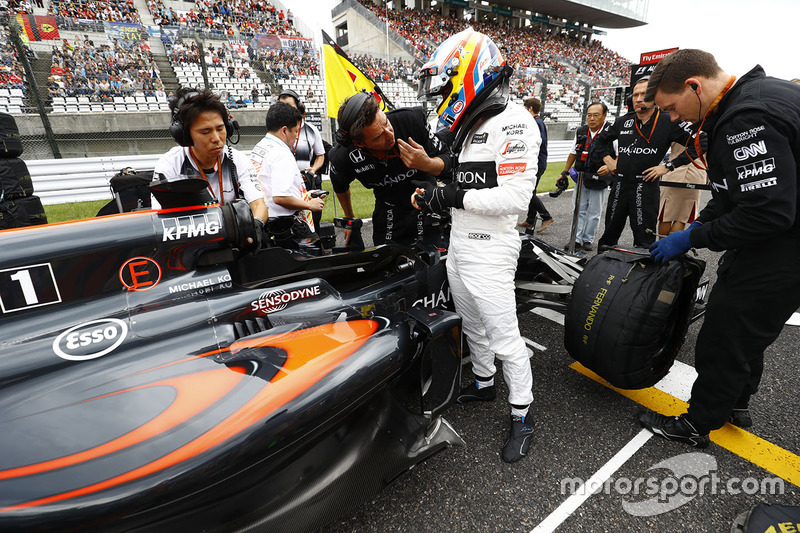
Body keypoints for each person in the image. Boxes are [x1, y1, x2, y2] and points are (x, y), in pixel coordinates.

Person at [641, 49, 800, 447]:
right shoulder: (755, 96)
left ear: (695, 85)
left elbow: (767, 213)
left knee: (723, 335)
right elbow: (731, 194)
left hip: (780, 248)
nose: (674, 119)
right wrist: (701, 224)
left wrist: (691, 237)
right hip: (781, 245)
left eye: (673, 108)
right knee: (748, 334)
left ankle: (697, 425)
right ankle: (734, 402)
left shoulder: (747, 117)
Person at [414, 28, 539, 463]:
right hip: (461, 244)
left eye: (446, 86)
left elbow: (515, 200)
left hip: (492, 248)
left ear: (471, 74)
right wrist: (436, 190)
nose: (441, 98)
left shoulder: (517, 122)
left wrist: (447, 195)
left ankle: (522, 412)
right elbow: (462, 180)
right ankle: (485, 383)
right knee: (472, 325)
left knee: (505, 336)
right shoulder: (472, 128)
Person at [328, 91, 453, 246]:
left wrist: (427, 163)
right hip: (388, 213)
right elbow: (338, 182)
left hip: (427, 206)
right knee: (387, 265)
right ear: (359, 143)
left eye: (386, 123)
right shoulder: (344, 156)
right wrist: (349, 217)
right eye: (378, 136)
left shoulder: (411, 121)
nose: (390, 135)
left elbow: (448, 160)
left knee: (433, 265)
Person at [594, 77, 696, 249]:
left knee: (644, 241)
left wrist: (669, 166)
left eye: (644, 94)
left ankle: (641, 275)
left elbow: (699, 144)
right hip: (620, 185)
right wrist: (608, 160)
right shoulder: (623, 120)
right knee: (608, 237)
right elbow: (599, 142)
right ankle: (601, 271)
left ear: (655, 97)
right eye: (635, 95)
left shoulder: (668, 120)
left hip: (645, 186)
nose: (639, 99)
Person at [153, 87, 267, 225]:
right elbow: (159, 219)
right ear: (185, 135)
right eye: (205, 132)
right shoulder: (169, 165)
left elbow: (258, 205)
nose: (216, 138)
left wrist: (256, 226)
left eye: (220, 129)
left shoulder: (238, 160)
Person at [250, 101, 324, 248]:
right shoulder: (282, 153)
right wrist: (309, 204)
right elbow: (280, 197)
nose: (297, 136)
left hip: (264, 224)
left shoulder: (259, 146)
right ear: (284, 131)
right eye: (296, 131)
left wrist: (305, 195)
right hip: (284, 226)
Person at [558, 102, 614, 251]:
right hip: (581, 177)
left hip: (600, 178)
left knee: (595, 212)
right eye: (589, 115)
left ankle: (588, 239)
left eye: (596, 115)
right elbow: (573, 152)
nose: (592, 119)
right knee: (578, 209)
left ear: (604, 116)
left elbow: (619, 155)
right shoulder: (581, 131)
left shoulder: (611, 132)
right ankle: (575, 239)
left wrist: (610, 166)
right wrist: (565, 171)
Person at [276, 89, 326, 229]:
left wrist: (314, 169)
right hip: (286, 188)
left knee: (313, 224)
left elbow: (320, 155)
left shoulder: (311, 130)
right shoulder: (276, 132)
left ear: (299, 108)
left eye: (289, 107)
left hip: (307, 185)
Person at [518, 97, 554, 233]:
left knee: (528, 191)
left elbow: (537, 144)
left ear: (530, 109)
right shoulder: (538, 122)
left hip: (536, 162)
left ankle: (546, 217)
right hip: (538, 161)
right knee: (530, 190)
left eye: (525, 108)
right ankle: (530, 220)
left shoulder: (536, 123)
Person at [657, 143, 707, 236]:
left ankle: (662, 244)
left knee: (666, 215)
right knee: (682, 217)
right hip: (696, 173)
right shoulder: (707, 131)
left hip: (673, 171)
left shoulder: (676, 129)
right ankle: (672, 246)